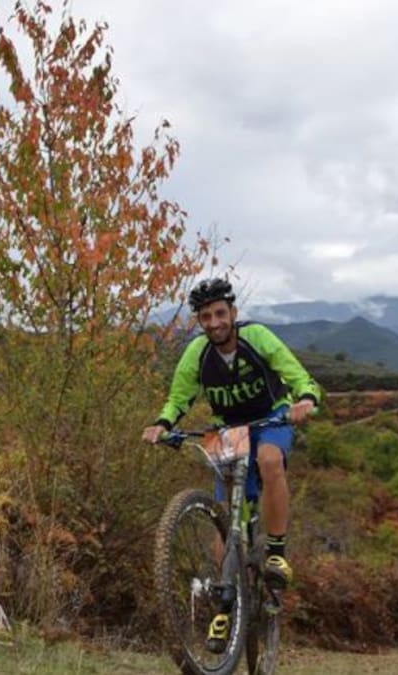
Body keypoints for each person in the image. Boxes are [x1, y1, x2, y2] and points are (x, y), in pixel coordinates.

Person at [142, 277, 321, 653]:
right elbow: (179, 397)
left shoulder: (257, 338)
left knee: (269, 460)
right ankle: (227, 602)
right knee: (226, 518)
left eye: (220, 313)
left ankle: (276, 553)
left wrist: (304, 399)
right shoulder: (197, 353)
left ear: (233, 313)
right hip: (229, 431)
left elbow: (298, 376)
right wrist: (163, 424)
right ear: (200, 321)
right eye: (205, 316)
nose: (213, 322)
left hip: (271, 419)